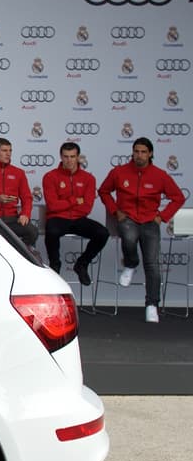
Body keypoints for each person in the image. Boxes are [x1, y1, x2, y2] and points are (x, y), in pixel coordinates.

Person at [98, 136, 186, 323]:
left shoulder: (160, 175)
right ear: (132, 152)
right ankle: (130, 264)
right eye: (136, 151)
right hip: (128, 217)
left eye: (143, 152)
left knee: (152, 264)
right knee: (129, 237)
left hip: (150, 220)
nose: (139, 155)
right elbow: (103, 191)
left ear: (150, 154)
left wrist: (162, 217)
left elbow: (178, 197)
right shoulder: (119, 172)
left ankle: (152, 305)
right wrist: (115, 211)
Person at [41, 141, 108, 285]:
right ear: (61, 157)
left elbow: (87, 208)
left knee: (102, 233)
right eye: (66, 156)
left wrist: (65, 204)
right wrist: (75, 200)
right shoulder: (50, 176)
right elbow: (52, 206)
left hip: (79, 219)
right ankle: (55, 265)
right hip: (58, 218)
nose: (69, 160)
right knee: (51, 231)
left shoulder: (88, 178)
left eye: (72, 156)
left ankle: (82, 264)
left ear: (78, 157)